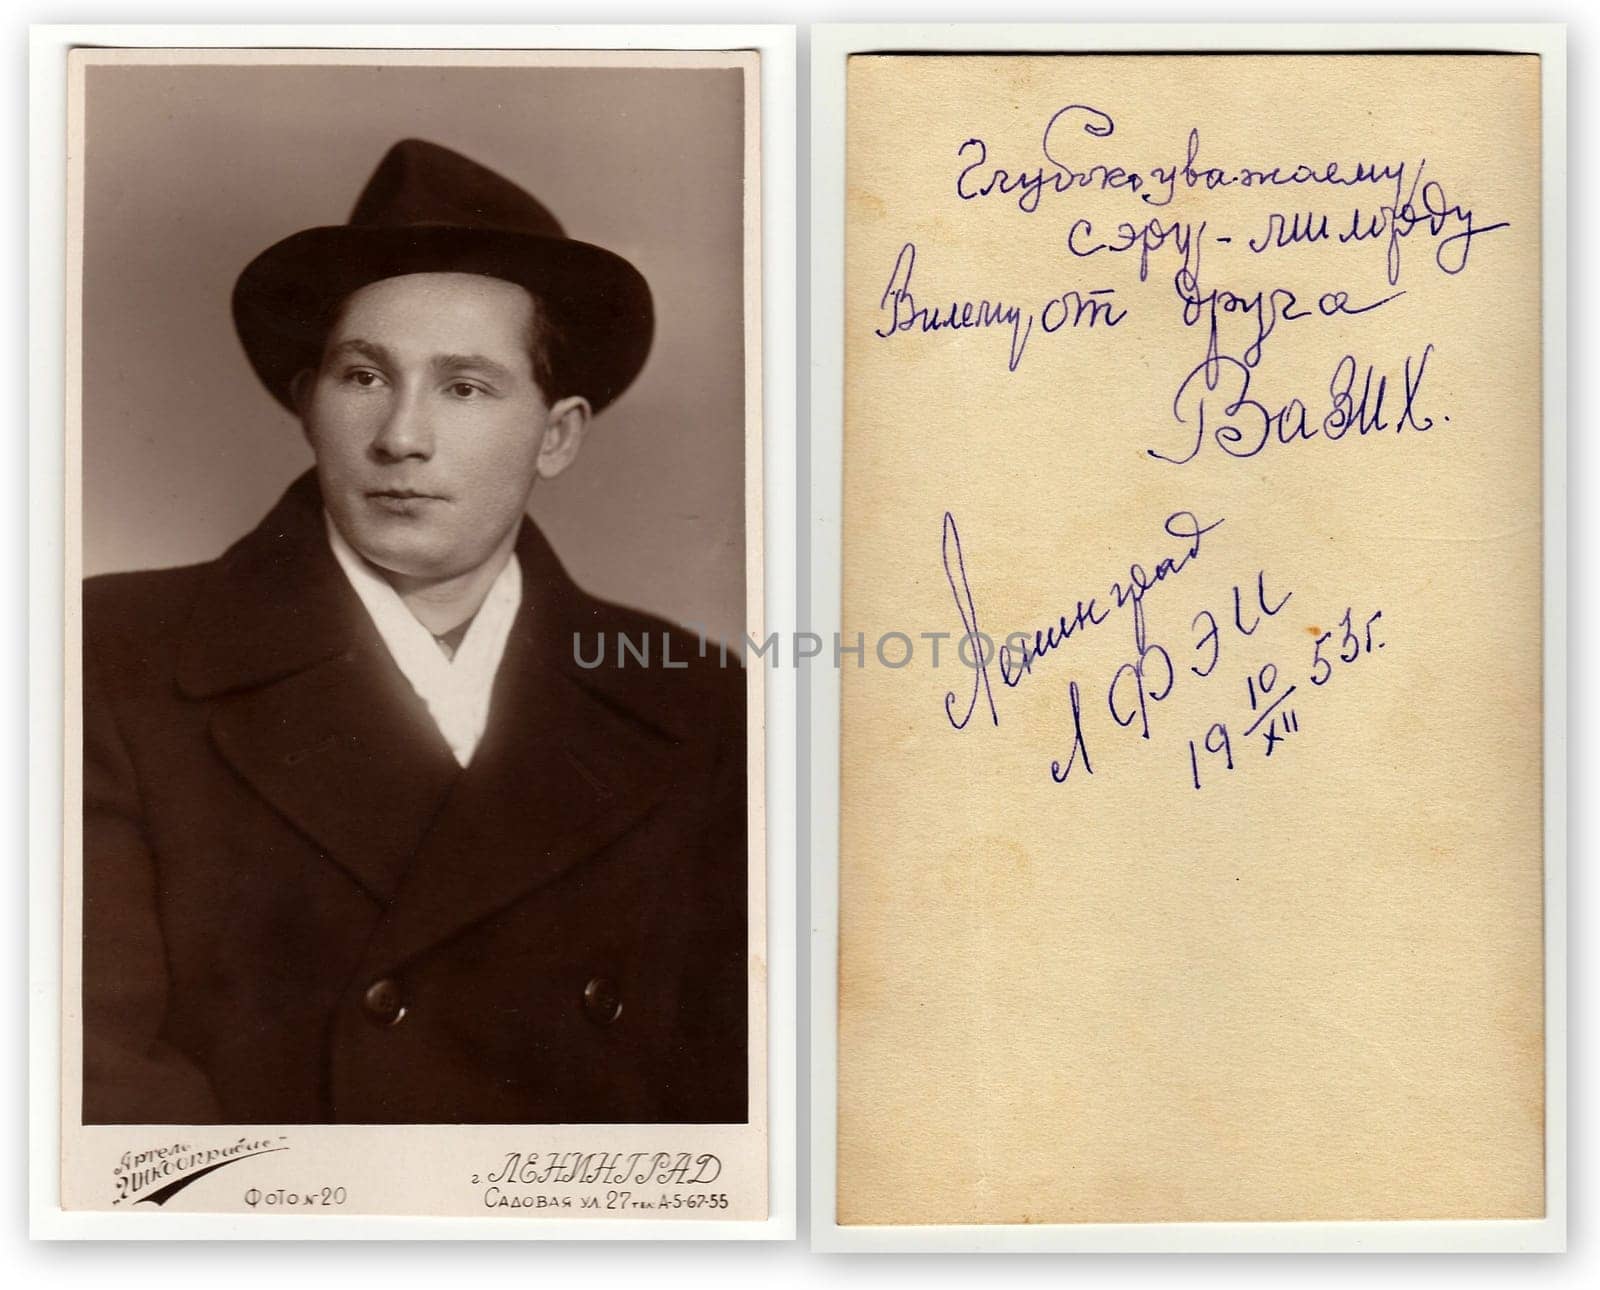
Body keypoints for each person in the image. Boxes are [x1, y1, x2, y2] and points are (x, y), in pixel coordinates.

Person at [81, 139, 748, 1125]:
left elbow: (731, 1088)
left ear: (555, 435)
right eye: (363, 377)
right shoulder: (110, 652)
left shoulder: (691, 694)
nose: (402, 436)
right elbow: (83, 1069)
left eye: (465, 387)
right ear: (308, 403)